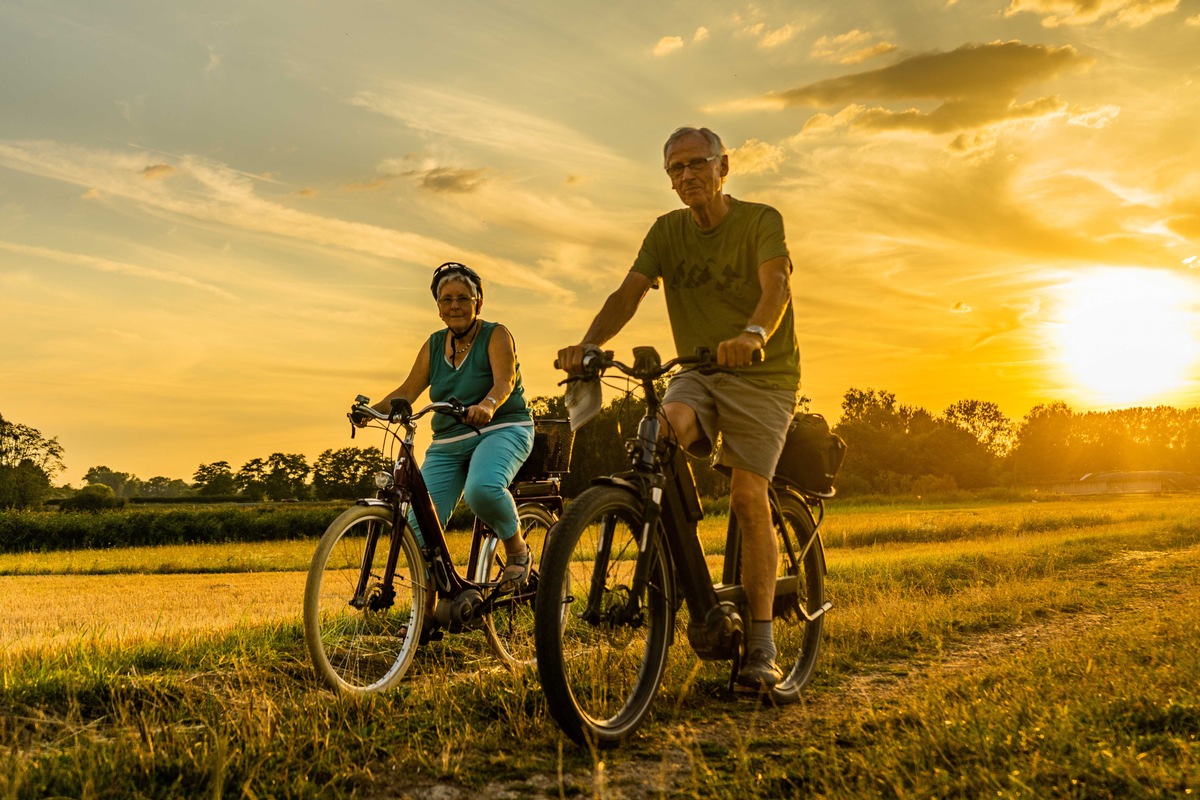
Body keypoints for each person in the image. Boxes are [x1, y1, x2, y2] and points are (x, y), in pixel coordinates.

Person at [557, 127, 801, 687]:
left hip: (762, 375)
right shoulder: (666, 232)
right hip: (697, 372)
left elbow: (777, 282)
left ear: (724, 166)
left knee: (746, 495)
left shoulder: (761, 220)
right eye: (675, 169)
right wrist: (589, 345)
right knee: (657, 436)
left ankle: (761, 645)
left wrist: (755, 333)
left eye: (696, 163)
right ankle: (685, 575)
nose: (686, 175)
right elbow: (628, 293)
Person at [370, 261, 535, 592]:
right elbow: (406, 392)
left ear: (479, 302)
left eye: (463, 297)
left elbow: (506, 380)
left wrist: (487, 405)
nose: (455, 305)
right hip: (448, 442)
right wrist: (370, 412)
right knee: (417, 530)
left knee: (482, 489)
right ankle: (429, 614)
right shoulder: (433, 345)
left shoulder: (495, 334)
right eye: (446, 299)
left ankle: (518, 551)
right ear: (438, 308)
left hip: (501, 429)